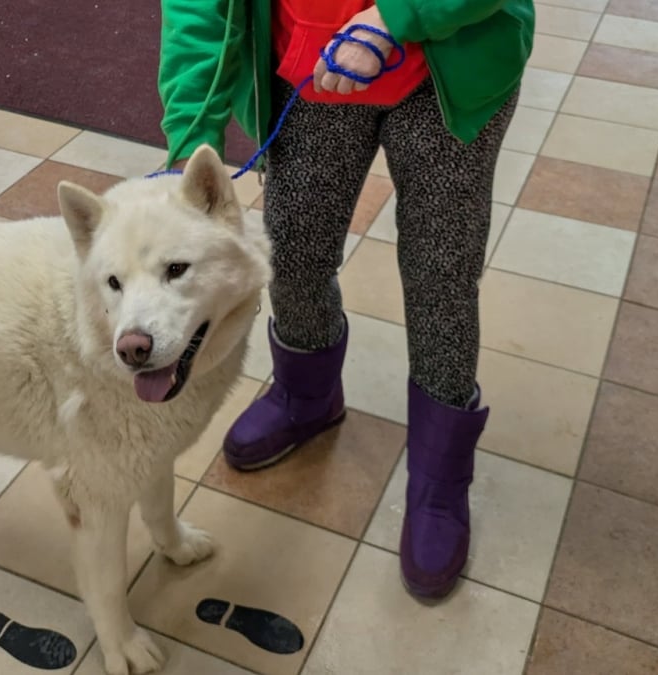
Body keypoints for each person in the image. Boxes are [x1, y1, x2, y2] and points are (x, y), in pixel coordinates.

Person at [157, 0, 533, 599]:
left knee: (441, 279)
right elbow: (201, 7)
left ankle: (439, 475)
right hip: (312, 66)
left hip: (447, 61)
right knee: (293, 251)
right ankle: (307, 396)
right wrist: (189, 140)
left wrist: (397, 19)